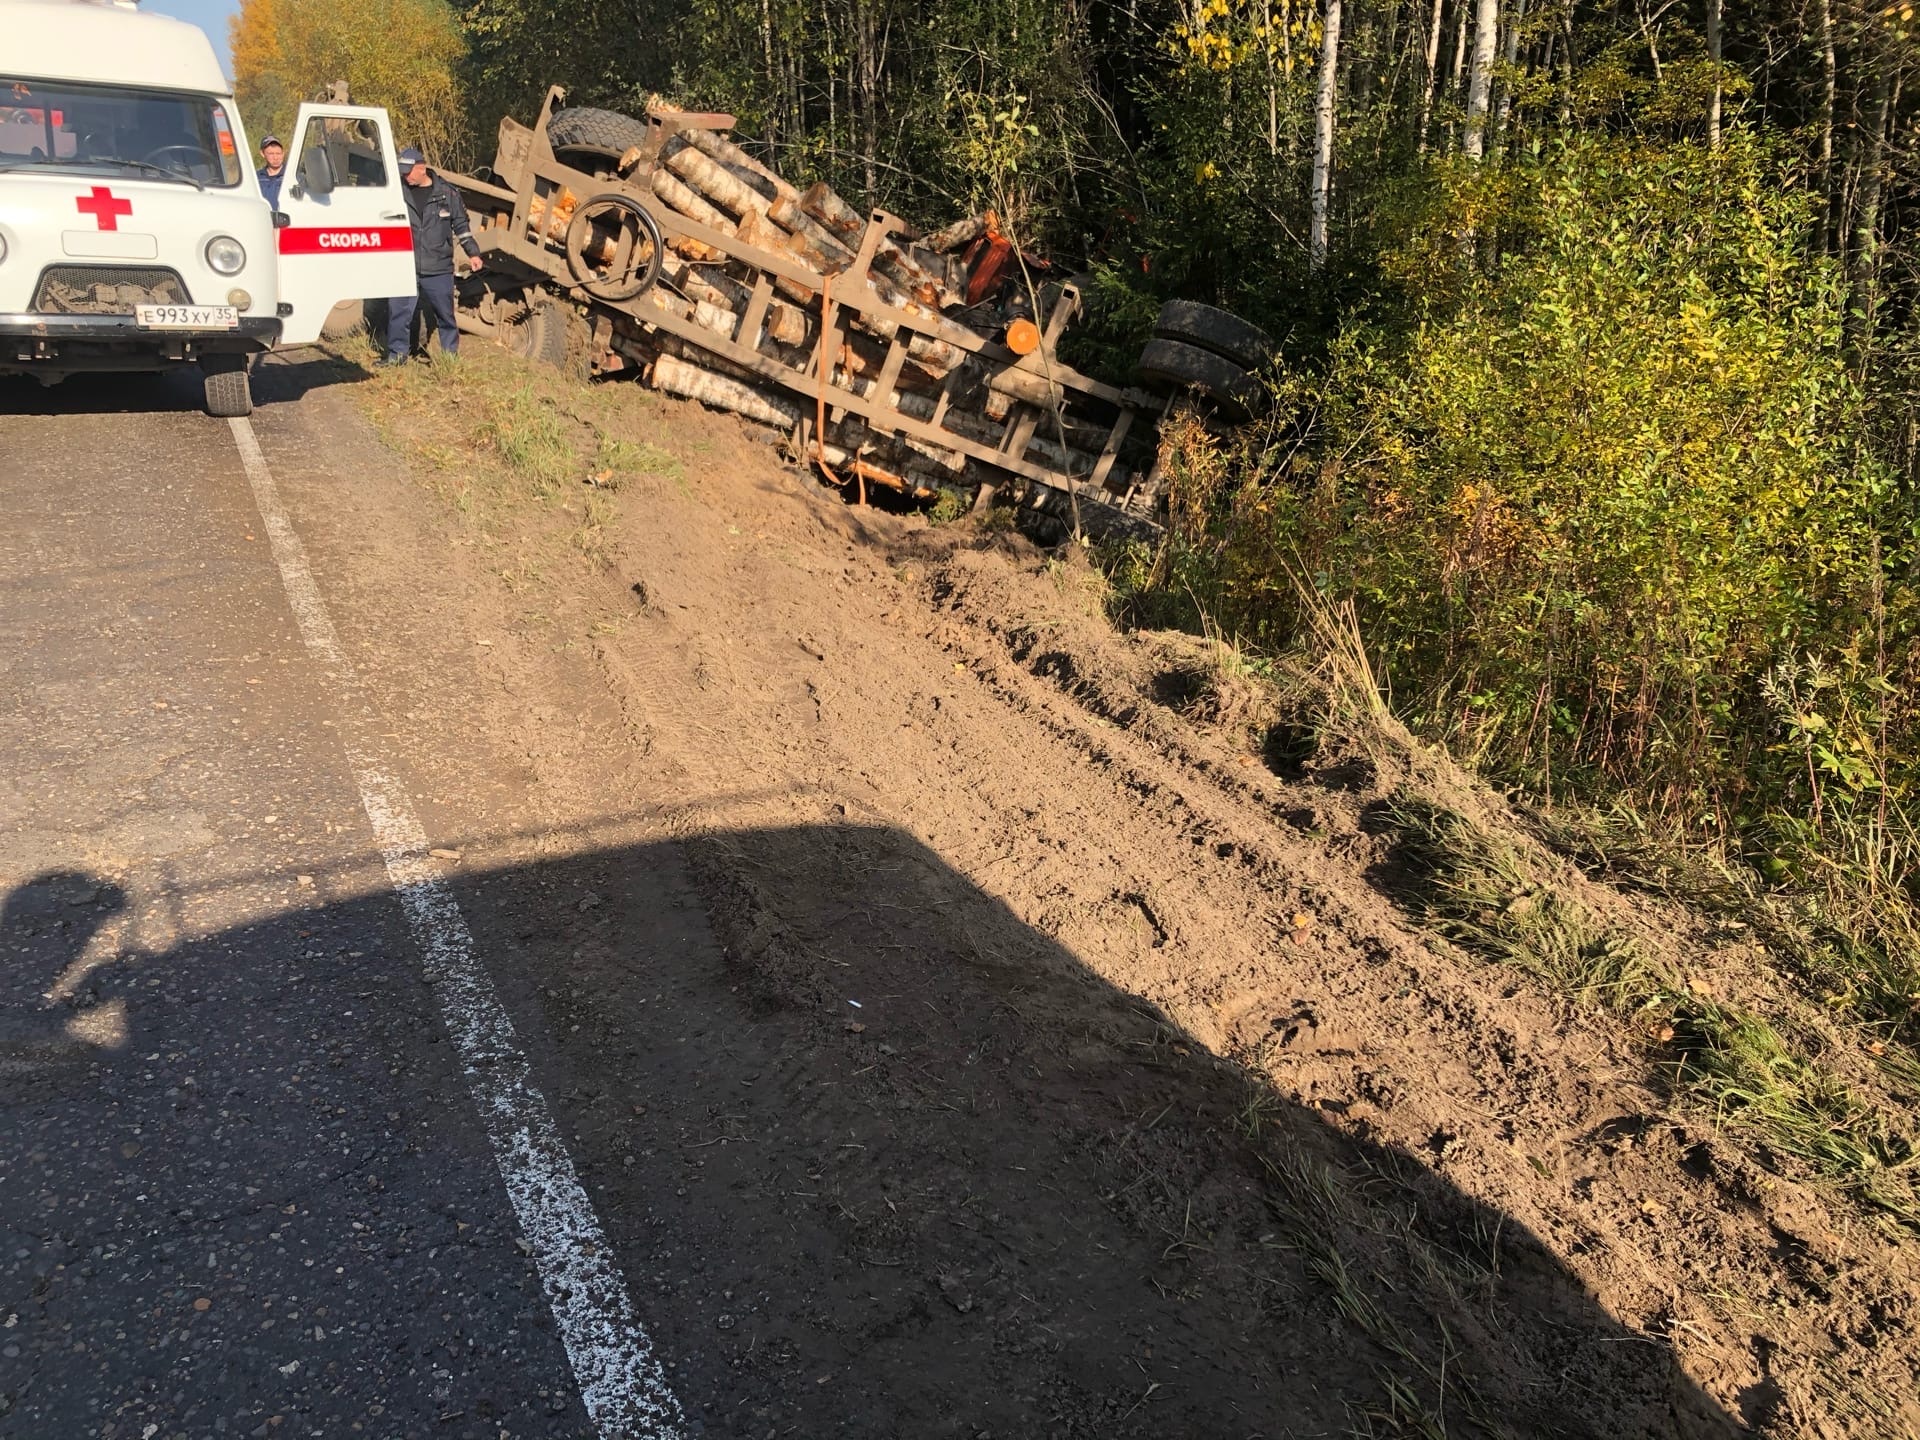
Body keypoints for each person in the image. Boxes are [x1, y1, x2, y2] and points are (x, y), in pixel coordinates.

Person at [383, 146, 482, 366]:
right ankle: (396, 356)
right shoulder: (396, 192)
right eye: (402, 172)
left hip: (438, 267)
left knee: (446, 315)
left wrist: (473, 253)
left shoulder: (447, 193)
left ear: (421, 168)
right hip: (405, 266)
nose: (404, 176)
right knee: (398, 313)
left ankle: (449, 359)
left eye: (408, 171)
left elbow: (461, 226)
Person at [255, 134, 285, 208]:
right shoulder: (256, 178)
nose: (275, 157)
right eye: (271, 154)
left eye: (278, 153)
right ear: (262, 154)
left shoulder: (293, 176)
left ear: (283, 153)